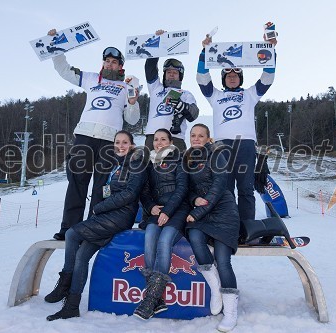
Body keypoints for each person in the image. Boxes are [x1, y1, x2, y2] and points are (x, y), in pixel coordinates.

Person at [47, 28, 141, 241]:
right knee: (77, 183)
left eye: (114, 62)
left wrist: (134, 103)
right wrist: (55, 46)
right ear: (103, 63)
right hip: (85, 136)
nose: (110, 64)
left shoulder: (126, 86)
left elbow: (133, 119)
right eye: (107, 61)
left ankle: (94, 227)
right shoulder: (90, 78)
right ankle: (69, 229)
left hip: (110, 141)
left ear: (120, 66)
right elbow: (63, 69)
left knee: (101, 186)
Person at [44, 130, 147, 321]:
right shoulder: (114, 166)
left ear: (131, 145)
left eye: (125, 142)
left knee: (73, 234)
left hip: (121, 215)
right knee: (82, 255)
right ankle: (72, 305)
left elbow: (130, 195)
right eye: (117, 142)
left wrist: (99, 208)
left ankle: (65, 281)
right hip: (109, 215)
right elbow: (107, 191)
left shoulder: (135, 164)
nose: (121, 146)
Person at [196, 24, 277, 226]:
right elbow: (201, 77)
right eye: (228, 75)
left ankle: (247, 226)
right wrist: (204, 52)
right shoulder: (216, 96)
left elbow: (267, 77)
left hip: (245, 145)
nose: (232, 77)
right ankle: (229, 225)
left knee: (246, 189)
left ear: (240, 78)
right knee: (225, 189)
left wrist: (270, 51)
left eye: (235, 75)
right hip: (222, 146)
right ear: (224, 78)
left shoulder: (250, 94)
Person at [184, 124, 240, 332]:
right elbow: (187, 190)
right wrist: (194, 198)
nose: (196, 139)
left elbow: (217, 190)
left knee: (223, 260)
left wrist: (197, 212)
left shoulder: (217, 155)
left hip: (223, 211)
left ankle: (231, 313)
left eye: (201, 136)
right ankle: (215, 288)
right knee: (195, 236)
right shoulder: (188, 159)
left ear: (208, 139)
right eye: (193, 135)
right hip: (203, 212)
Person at [134, 128, 190, 320]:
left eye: (163, 139)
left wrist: (167, 211)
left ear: (170, 140)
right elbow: (145, 192)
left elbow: (182, 188)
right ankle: (156, 299)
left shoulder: (180, 159)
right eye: (156, 139)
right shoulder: (149, 163)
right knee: (150, 237)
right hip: (157, 211)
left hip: (178, 209)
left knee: (165, 240)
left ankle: (149, 299)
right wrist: (151, 207)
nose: (159, 143)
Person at [144, 30, 199, 152]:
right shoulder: (156, 88)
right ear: (164, 75)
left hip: (175, 138)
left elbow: (194, 113)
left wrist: (183, 107)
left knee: (175, 170)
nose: (172, 75)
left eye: (175, 73)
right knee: (149, 169)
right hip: (153, 137)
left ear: (180, 76)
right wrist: (156, 41)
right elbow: (150, 68)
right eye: (169, 72)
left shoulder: (186, 94)